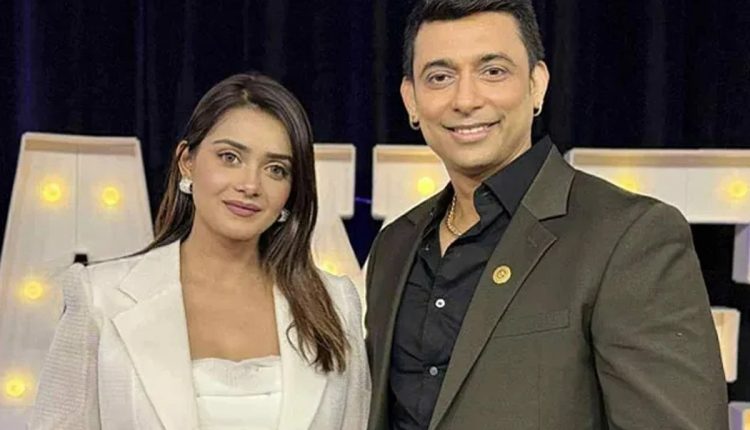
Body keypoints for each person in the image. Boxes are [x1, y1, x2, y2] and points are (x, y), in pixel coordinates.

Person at [364, 1, 727, 429]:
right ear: (411, 99)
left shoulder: (628, 235)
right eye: (440, 77)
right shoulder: (395, 245)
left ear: (537, 84)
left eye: (493, 71)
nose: (465, 99)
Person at [30, 72, 370, 429]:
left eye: (275, 169)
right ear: (186, 162)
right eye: (230, 157)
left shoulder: (335, 303)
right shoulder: (101, 297)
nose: (250, 185)